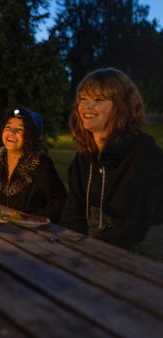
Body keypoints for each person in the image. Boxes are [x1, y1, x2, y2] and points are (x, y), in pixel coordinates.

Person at [60, 68, 163, 249]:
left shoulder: (142, 153)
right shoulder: (84, 157)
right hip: (84, 254)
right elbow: (72, 213)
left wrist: (90, 250)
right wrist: (71, 246)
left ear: (122, 106)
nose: (87, 106)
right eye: (83, 99)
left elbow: (131, 225)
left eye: (98, 99)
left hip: (130, 260)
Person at [0, 106, 66, 223]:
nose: (12, 132)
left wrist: (30, 220)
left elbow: (59, 201)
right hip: (2, 227)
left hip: (30, 232)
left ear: (31, 135)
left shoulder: (40, 163)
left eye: (20, 129)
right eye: (9, 127)